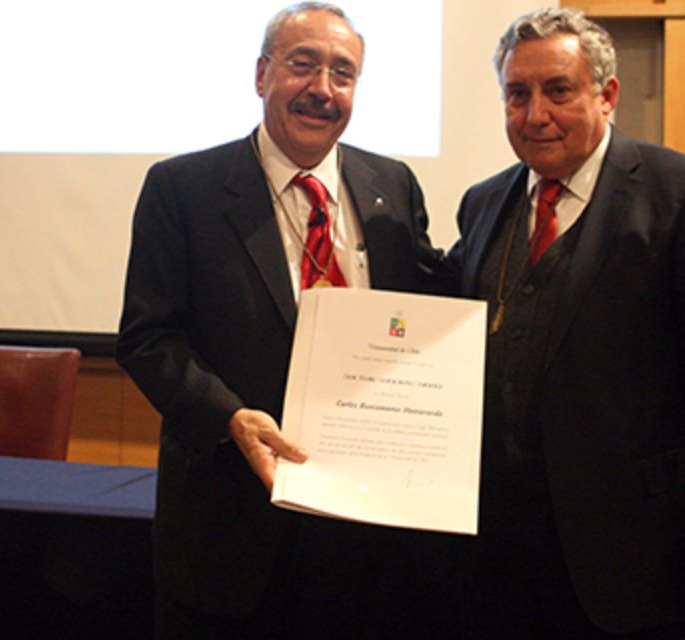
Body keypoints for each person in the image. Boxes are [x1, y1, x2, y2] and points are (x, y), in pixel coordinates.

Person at [116, 3, 445, 638]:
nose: (323, 89)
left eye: (343, 73)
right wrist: (228, 418)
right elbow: (148, 337)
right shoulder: (183, 188)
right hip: (230, 534)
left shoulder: (393, 186)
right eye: (304, 65)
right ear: (262, 74)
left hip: (367, 537)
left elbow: (425, 317)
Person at [446, 8, 685, 639]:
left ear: (607, 94)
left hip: (631, 552)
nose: (535, 114)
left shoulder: (684, 195)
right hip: (498, 549)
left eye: (558, 91)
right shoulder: (484, 201)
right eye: (518, 93)